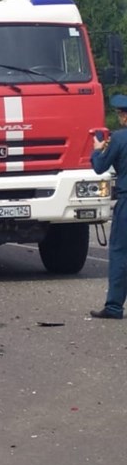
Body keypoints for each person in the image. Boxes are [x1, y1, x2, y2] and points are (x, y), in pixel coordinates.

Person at [89, 93, 127, 320]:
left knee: (120, 254)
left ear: (124, 116)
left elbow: (100, 167)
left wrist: (97, 148)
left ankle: (114, 307)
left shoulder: (120, 139)